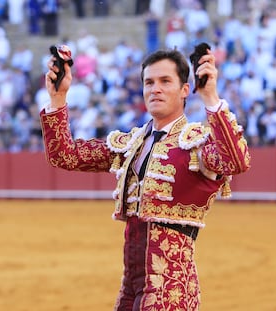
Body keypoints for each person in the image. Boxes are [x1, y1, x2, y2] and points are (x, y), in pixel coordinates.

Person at [40, 47, 251, 310]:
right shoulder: (131, 144)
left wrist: (211, 98)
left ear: (185, 90)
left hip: (172, 292)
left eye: (165, 81)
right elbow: (65, 155)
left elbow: (236, 161)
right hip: (131, 290)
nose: (155, 89)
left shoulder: (197, 144)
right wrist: (58, 97)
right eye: (149, 82)